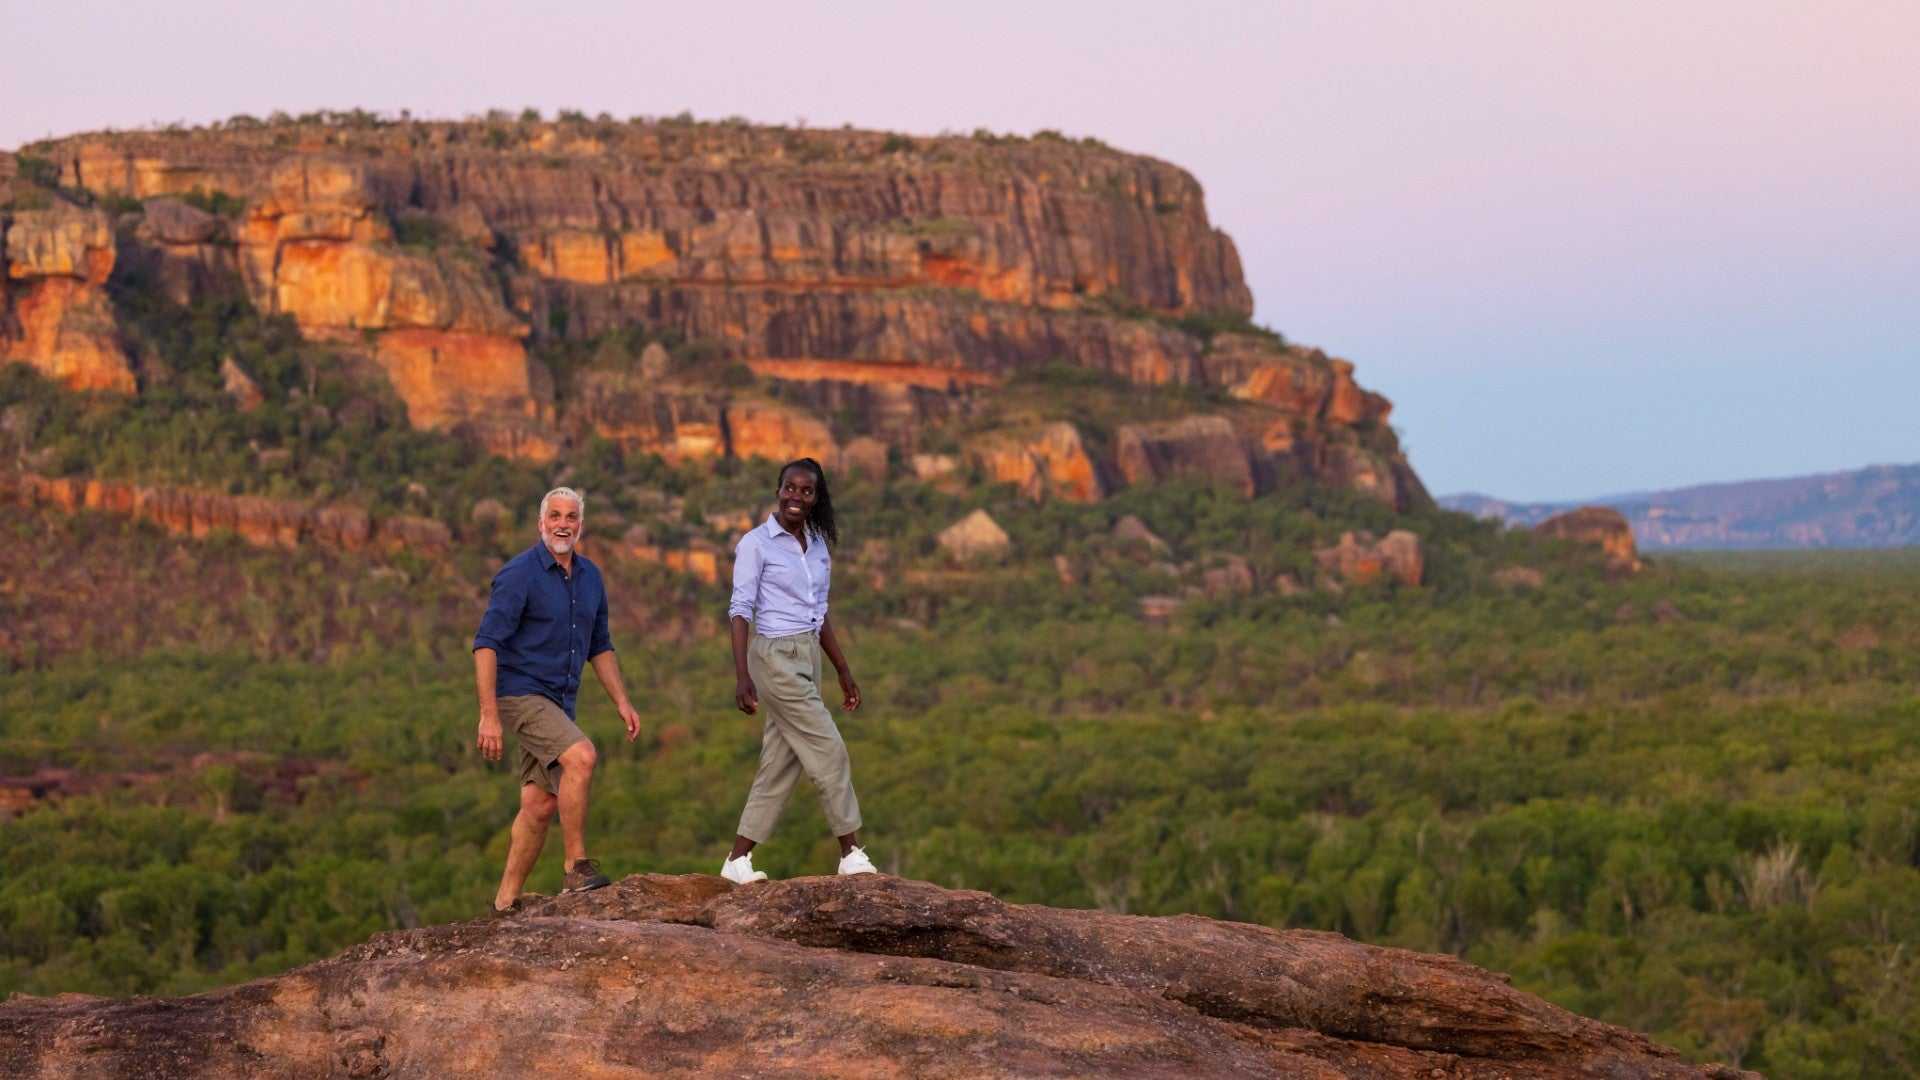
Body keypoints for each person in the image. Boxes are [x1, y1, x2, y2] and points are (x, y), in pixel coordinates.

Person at [473, 486, 641, 912]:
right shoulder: (520, 574)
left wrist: (622, 701)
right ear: (541, 522)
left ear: (580, 526)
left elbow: (599, 646)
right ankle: (575, 867)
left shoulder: (590, 578)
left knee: (539, 803)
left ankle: (505, 902)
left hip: (558, 699)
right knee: (581, 756)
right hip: (519, 693)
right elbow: (486, 643)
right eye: (555, 516)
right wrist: (489, 715)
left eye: (571, 517)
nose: (562, 524)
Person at [720, 457, 875, 884]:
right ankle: (851, 851)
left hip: (807, 655)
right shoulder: (756, 544)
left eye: (806, 491)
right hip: (773, 656)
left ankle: (737, 860)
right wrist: (742, 674)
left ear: (815, 498)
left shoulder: (819, 546)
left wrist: (843, 671)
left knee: (782, 762)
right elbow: (739, 610)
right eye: (790, 488)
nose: (796, 497)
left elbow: (819, 613)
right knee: (829, 747)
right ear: (778, 489)